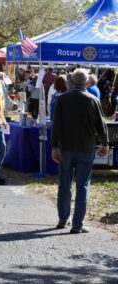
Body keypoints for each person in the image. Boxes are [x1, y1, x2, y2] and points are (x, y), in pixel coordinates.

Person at [51, 68, 108, 234]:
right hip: (86, 148)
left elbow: (56, 125)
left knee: (64, 184)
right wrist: (104, 143)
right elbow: (101, 124)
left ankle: (63, 218)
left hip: (65, 148)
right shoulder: (93, 100)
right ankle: (77, 224)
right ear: (87, 83)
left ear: (71, 82)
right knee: (82, 185)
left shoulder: (62, 99)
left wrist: (54, 146)